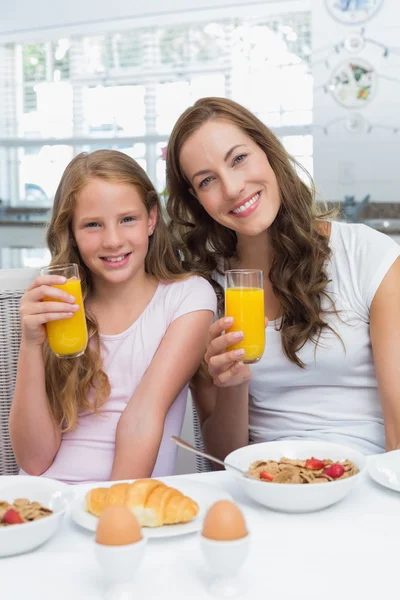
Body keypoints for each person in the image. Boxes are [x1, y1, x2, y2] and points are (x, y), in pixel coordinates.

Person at [165, 96, 400, 459]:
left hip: (362, 480)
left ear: (268, 152)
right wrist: (233, 385)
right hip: (264, 483)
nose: (232, 188)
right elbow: (223, 456)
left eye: (239, 159)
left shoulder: (368, 256)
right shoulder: (203, 292)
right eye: (207, 180)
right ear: (196, 200)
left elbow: (399, 428)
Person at [9, 149, 216, 484]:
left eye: (127, 219)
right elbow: (33, 462)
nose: (113, 240)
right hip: (45, 500)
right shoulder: (61, 306)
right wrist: (31, 344)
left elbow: (142, 418)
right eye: (92, 225)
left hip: (120, 498)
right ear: (72, 233)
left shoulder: (187, 297)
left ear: (151, 219)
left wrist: (113, 511)